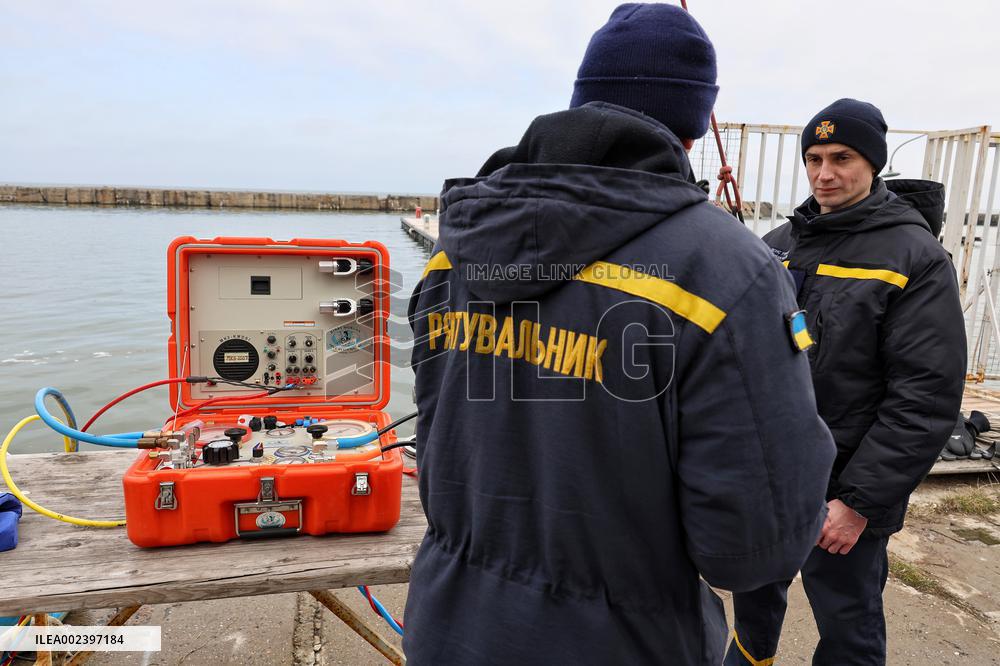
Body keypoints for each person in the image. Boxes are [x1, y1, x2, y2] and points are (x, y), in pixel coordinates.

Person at [404, 5, 835, 664]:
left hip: (448, 624)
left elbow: (435, 450)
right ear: (691, 132)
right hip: (620, 642)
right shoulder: (728, 271)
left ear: (582, 102)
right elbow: (751, 546)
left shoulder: (453, 251)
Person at [723, 99, 967, 666]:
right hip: (768, 477)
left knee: (848, 618)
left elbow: (925, 396)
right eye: (813, 158)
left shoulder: (915, 256)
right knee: (752, 604)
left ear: (873, 163)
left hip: (845, 484)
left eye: (842, 158)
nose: (824, 173)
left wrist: (858, 503)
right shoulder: (778, 242)